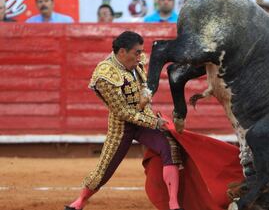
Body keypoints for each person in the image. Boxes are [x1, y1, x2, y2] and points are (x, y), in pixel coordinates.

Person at [65, 31, 183, 210]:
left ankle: (173, 204)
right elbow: (122, 112)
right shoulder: (104, 75)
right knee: (104, 169)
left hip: (144, 117)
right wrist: (154, 123)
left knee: (170, 146)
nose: (140, 56)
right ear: (122, 52)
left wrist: (145, 93)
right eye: (136, 52)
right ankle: (80, 201)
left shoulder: (136, 60)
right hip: (122, 126)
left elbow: (144, 82)